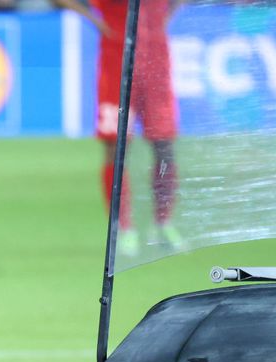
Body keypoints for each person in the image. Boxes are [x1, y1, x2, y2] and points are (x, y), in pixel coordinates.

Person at [52, 0, 181, 256]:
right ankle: (123, 227)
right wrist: (95, 20)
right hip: (117, 63)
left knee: (164, 146)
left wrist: (166, 17)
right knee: (116, 148)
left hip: (156, 62)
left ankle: (163, 223)